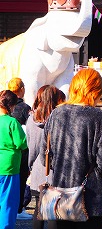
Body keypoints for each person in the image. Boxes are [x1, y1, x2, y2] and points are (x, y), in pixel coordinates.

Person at [41, 68, 102, 229]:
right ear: (96, 91)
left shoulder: (55, 114)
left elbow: (45, 157)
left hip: (59, 195)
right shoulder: (101, 119)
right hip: (90, 198)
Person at [26, 85, 65, 229]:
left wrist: (30, 165)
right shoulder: (59, 117)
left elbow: (33, 147)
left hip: (38, 169)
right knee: (54, 210)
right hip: (55, 169)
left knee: (39, 208)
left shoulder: (32, 119)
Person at [0, 90, 28, 229]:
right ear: (11, 106)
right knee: (8, 202)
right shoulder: (12, 122)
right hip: (9, 166)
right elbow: (21, 143)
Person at [7, 77, 32, 221]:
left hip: (5, 150)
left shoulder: (4, 107)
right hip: (21, 149)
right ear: (21, 89)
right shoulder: (24, 107)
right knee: (21, 178)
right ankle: (19, 208)